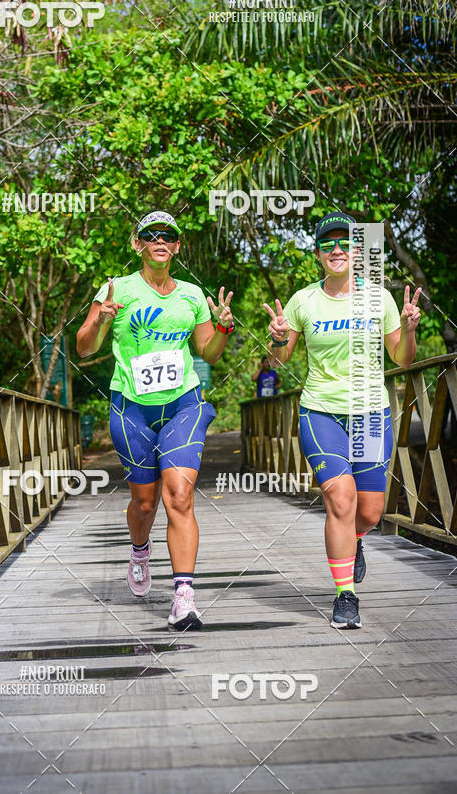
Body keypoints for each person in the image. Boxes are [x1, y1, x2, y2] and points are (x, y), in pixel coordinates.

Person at [76, 210, 234, 630]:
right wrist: (103, 318)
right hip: (132, 407)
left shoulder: (191, 295)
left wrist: (222, 329)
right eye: (151, 234)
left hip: (183, 401)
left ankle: (184, 597)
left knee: (179, 495)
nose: (160, 241)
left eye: (169, 236)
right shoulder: (116, 289)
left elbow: (208, 352)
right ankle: (140, 548)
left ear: (177, 246)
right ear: (138, 244)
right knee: (144, 503)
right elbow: (84, 348)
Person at [263, 211, 421, 629]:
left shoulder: (380, 298)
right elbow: (278, 362)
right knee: (341, 499)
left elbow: (402, 359)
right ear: (317, 253)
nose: (337, 250)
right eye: (328, 244)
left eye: (345, 242)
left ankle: (356, 540)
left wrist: (407, 330)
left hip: (370, 413)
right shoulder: (303, 301)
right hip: (321, 411)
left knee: (369, 511)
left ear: (356, 250)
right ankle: (344, 595)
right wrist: (278, 338)